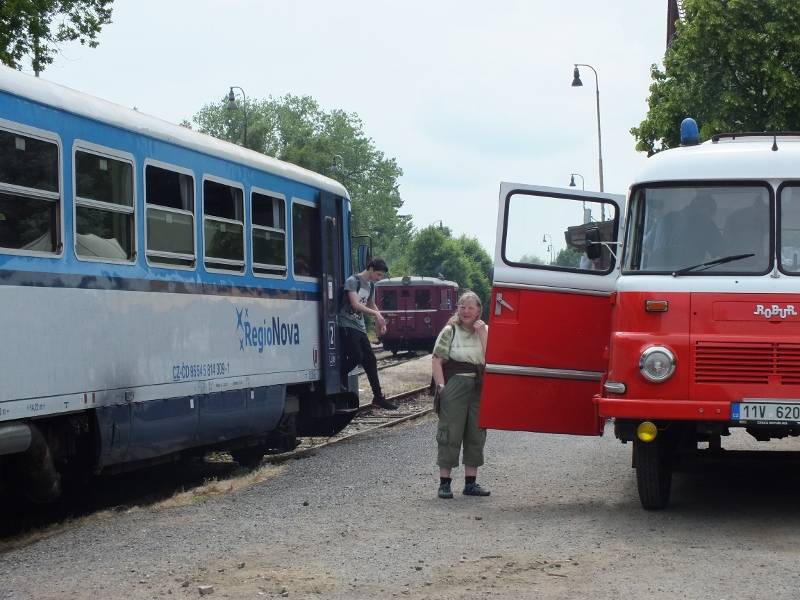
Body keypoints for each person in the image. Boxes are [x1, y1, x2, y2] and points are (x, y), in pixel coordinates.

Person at [431, 290, 490, 499]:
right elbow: (437, 360)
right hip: (455, 383)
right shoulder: (450, 330)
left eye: (470, 307)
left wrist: (482, 332)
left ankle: (470, 484)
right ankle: (444, 484)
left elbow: (492, 357)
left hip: (479, 385)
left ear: (478, 311)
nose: (465, 311)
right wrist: (442, 388)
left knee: (476, 432)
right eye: (462, 307)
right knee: (450, 433)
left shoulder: (485, 330)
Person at [338, 257, 397, 410]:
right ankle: (338, 377)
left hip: (359, 326)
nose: (379, 278)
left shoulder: (370, 285)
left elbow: (371, 304)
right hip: (346, 324)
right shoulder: (352, 281)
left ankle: (378, 397)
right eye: (378, 274)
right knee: (357, 356)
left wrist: (381, 319)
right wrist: (376, 315)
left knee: (370, 360)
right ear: (370, 268)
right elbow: (355, 304)